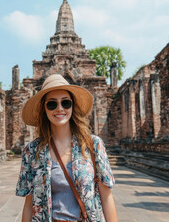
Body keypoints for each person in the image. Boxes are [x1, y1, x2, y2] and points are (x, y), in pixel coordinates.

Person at [16, 74, 118, 222]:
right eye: (52, 104)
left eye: (65, 103)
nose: (59, 109)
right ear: (44, 109)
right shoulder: (31, 151)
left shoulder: (93, 145)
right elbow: (28, 205)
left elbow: (107, 197)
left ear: (72, 106)